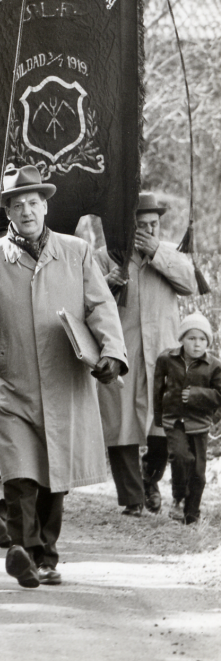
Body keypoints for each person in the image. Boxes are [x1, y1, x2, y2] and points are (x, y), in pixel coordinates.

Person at [0, 164, 127, 589]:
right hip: (8, 382)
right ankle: (24, 549)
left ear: (46, 205)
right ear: (7, 212)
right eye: (18, 205)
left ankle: (45, 555)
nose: (27, 211)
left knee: (56, 473)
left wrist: (112, 353)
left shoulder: (77, 252)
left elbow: (100, 307)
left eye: (33, 202)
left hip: (63, 379)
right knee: (20, 475)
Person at [95, 192, 196, 516]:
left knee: (162, 430)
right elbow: (86, 300)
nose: (148, 231)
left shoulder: (171, 255)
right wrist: (107, 283)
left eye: (153, 225)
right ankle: (133, 499)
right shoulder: (106, 256)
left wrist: (157, 254)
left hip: (164, 359)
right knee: (120, 428)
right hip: (122, 357)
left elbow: (189, 283)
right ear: (128, 227)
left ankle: (150, 479)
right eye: (141, 226)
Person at [153, 311, 221, 525]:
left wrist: (196, 395)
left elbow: (219, 394)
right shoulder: (167, 359)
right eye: (191, 338)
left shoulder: (214, 365)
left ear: (207, 342)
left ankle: (191, 514)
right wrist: (158, 417)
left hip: (200, 423)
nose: (197, 344)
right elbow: (158, 388)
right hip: (174, 420)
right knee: (182, 458)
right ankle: (179, 499)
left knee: (199, 473)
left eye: (202, 339)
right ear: (182, 339)